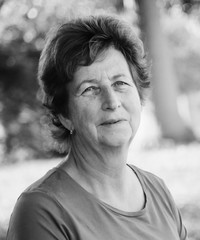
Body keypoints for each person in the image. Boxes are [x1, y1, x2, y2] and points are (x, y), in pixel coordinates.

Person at [6, 15, 188, 240]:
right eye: (90, 89)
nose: (112, 102)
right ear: (64, 114)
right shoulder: (42, 212)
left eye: (120, 83)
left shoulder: (157, 190)